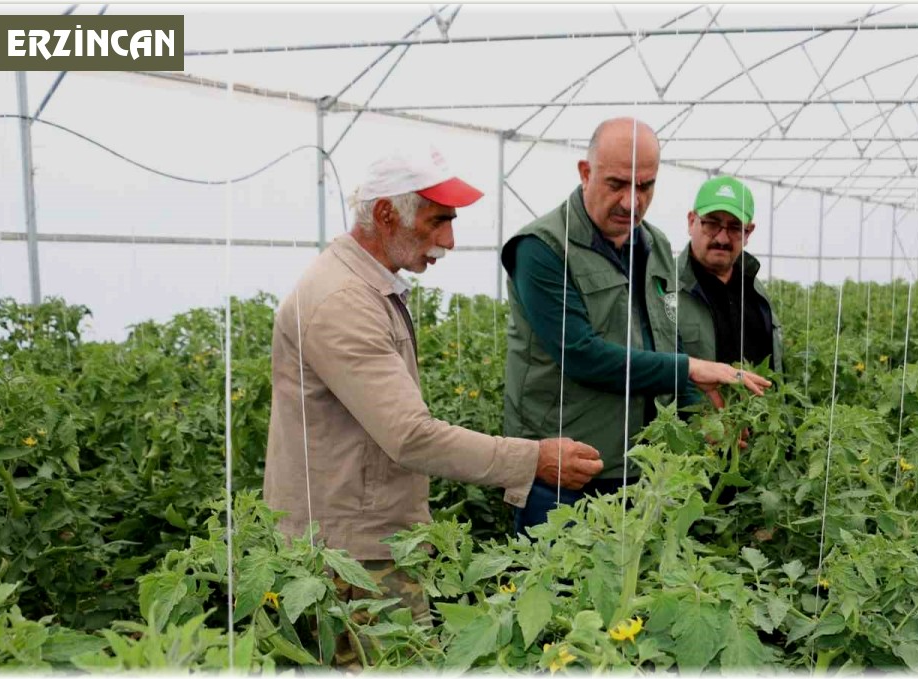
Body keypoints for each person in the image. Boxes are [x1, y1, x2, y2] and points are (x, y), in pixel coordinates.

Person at [262, 143, 604, 648]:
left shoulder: (364, 287)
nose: (448, 239)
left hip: (362, 542)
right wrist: (532, 460)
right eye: (437, 221)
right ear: (385, 215)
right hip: (347, 559)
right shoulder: (342, 302)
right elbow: (410, 437)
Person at [501, 118, 771, 534]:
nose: (632, 202)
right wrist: (689, 367)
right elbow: (581, 354)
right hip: (567, 475)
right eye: (616, 184)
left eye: (645, 186)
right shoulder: (542, 248)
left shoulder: (656, 246)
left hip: (646, 472)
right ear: (585, 173)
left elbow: (667, 340)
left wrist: (705, 420)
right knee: (560, 593)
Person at [676, 176, 783, 371]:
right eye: (712, 224)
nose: (722, 238)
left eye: (735, 228)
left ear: (748, 233)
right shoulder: (665, 287)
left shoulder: (755, 291)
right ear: (692, 222)